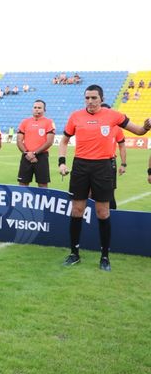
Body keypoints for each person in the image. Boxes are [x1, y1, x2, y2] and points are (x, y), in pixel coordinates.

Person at [58, 85, 151, 271]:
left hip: (103, 167)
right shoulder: (75, 116)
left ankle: (105, 257)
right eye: (87, 98)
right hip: (80, 166)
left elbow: (139, 131)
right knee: (77, 210)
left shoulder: (114, 115)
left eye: (94, 98)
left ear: (101, 98)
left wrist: (146, 126)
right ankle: (74, 253)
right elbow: (64, 140)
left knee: (103, 212)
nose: (90, 101)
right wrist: (62, 162)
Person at [16, 100, 55, 187]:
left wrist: (34, 153)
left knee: (42, 184)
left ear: (44, 110)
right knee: (22, 184)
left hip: (41, 156)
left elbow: (49, 142)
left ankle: (42, 201)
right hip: (26, 155)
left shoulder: (49, 122)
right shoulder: (25, 122)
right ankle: (22, 201)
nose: (37, 109)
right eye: (35, 107)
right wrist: (27, 153)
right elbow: (19, 141)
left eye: (39, 108)